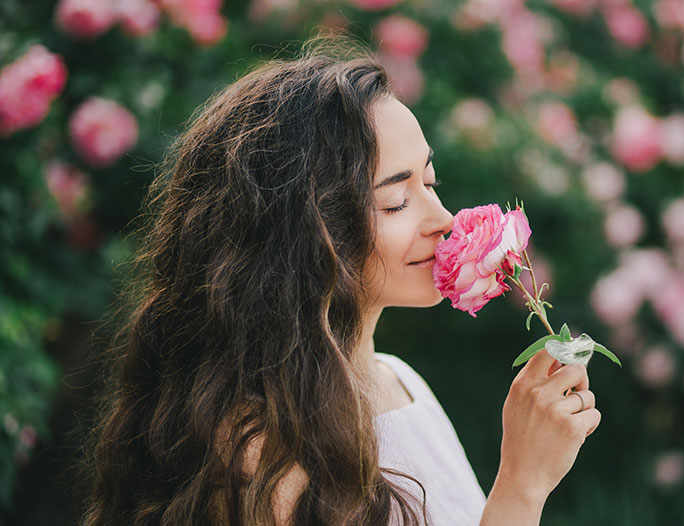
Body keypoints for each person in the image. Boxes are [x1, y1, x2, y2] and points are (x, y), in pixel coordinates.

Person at [79, 33, 602, 526]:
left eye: (430, 181)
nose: (443, 218)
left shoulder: (403, 384)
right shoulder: (261, 457)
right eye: (395, 200)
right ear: (304, 231)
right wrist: (522, 485)